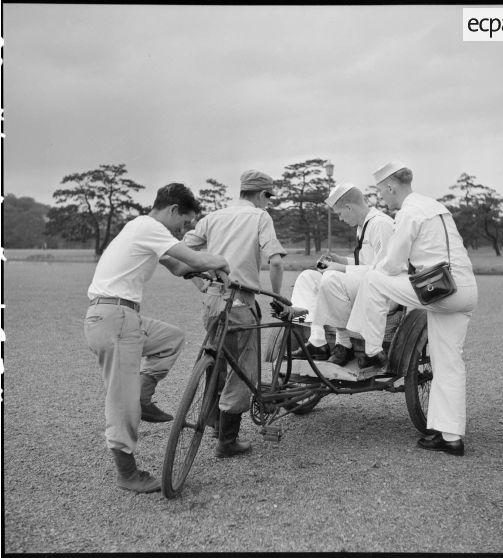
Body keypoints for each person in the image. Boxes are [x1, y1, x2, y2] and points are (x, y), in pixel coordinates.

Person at [84, 183, 230, 494]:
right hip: (115, 319)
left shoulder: (140, 228)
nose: (184, 228)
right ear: (174, 210)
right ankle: (127, 473)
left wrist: (202, 280)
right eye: (185, 221)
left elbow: (178, 265)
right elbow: (196, 258)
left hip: (119, 317)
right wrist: (221, 264)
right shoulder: (150, 226)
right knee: (121, 401)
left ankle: (143, 393)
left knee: (171, 338)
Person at [346, 162, 478, 456]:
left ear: (391, 187)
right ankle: (451, 437)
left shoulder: (407, 212)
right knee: (448, 364)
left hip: (439, 288)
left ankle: (370, 350)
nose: (384, 201)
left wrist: (370, 276)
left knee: (373, 279)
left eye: (383, 194)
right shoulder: (435, 206)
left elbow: (393, 263)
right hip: (465, 289)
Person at [182, 170, 287, 458]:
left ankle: (214, 422)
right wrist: (278, 296)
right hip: (240, 302)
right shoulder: (259, 218)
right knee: (244, 367)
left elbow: (181, 251)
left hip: (213, 300)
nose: (268, 204)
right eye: (268, 198)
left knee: (217, 359)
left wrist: (201, 283)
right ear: (262, 195)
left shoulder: (212, 218)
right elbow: (275, 262)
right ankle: (227, 440)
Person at [290, 183, 394, 366]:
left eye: (340, 213)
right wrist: (341, 261)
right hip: (363, 285)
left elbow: (385, 271)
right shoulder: (363, 226)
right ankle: (317, 341)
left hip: (382, 292)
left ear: (348, 207)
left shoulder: (381, 225)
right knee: (306, 278)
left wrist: (341, 269)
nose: (340, 218)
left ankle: (344, 344)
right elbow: (365, 263)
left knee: (332, 278)